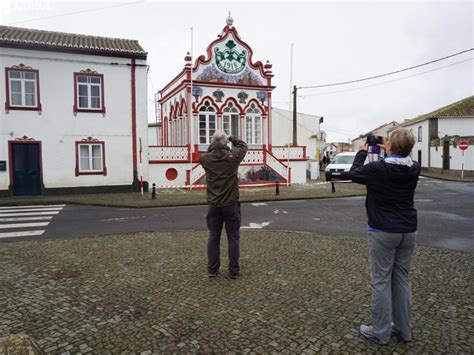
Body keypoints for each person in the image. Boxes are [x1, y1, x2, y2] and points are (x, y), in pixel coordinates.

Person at [349, 128, 420, 345]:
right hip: (408, 230)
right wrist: (390, 148)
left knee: (380, 281)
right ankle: (404, 330)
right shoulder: (415, 168)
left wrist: (362, 151)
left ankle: (380, 332)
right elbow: (398, 162)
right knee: (402, 280)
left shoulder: (378, 169)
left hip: (383, 230)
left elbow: (354, 173)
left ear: (389, 147)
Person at [199, 130, 248, 279]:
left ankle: (212, 270)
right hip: (230, 204)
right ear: (226, 143)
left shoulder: (205, 159)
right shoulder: (232, 158)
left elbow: (209, 151)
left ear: (212, 143)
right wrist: (230, 138)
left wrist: (214, 145)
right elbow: (243, 146)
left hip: (213, 205)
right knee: (233, 238)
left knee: (214, 236)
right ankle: (233, 271)